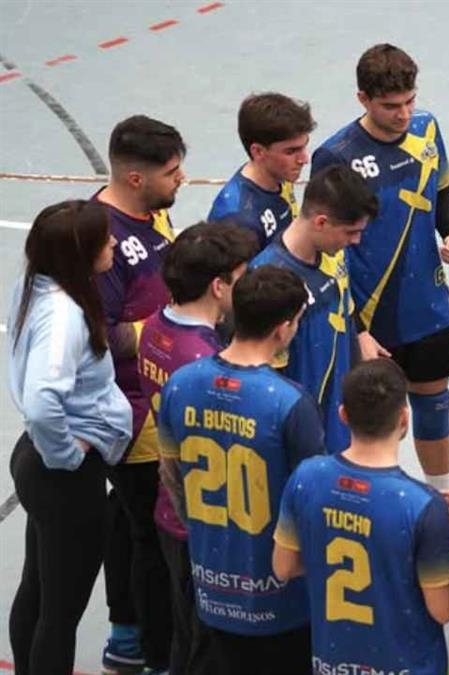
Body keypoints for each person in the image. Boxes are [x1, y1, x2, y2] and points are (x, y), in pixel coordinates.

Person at [311, 43, 449, 490]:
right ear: (363, 99)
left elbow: (442, 190)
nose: (403, 114)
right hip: (367, 314)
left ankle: (441, 498)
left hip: (427, 303)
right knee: (372, 418)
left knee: (435, 405)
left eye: (409, 101)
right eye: (390, 106)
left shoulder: (426, 128)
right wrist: (356, 327)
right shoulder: (335, 156)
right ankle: (374, 498)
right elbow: (325, 248)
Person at [156, 266, 325, 674]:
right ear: (283, 329)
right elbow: (312, 506)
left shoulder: (181, 384)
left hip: (211, 588)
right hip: (279, 603)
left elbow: (170, 475)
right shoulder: (288, 402)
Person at [273, 359, 449, 675]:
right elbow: (443, 609)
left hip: (332, 663)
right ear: (405, 419)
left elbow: (284, 567)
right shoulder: (421, 504)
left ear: (343, 415)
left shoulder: (306, 477)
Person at [7, 200, 133, 675]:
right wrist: (65, 456)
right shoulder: (64, 316)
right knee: (60, 612)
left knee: (38, 590)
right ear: (81, 253)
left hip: (37, 464)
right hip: (62, 475)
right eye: (105, 239)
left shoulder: (35, 288)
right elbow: (43, 401)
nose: (114, 243)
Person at [136, 221, 258, 674]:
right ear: (218, 285)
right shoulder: (208, 362)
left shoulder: (154, 328)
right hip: (208, 523)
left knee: (186, 632)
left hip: (173, 508)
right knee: (207, 647)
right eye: (243, 277)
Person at [93, 114, 187, 675]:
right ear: (134, 177)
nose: (181, 181)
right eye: (172, 172)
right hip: (136, 418)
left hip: (159, 407)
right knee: (154, 542)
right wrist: (168, 326)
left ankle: (125, 634)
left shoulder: (153, 213)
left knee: (129, 524)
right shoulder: (101, 240)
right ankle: (153, 654)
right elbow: (99, 335)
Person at [251, 164, 382, 454]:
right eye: (351, 232)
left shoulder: (333, 256)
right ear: (321, 222)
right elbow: (263, 378)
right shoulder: (271, 281)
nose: (356, 241)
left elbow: (345, 319)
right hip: (300, 440)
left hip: (341, 428)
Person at [208, 92, 316, 251]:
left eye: (304, 146)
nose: (304, 159)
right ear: (258, 152)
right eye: (291, 151)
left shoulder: (280, 175)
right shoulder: (238, 220)